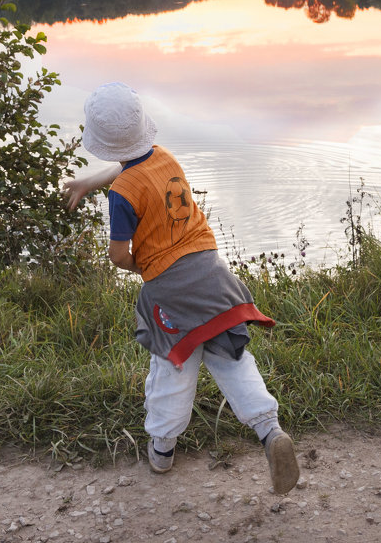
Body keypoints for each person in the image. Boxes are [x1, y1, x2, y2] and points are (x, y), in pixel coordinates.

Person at [62, 81, 300, 494]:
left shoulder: (120, 195)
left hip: (170, 292)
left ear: (100, 140)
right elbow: (132, 167)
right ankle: (270, 431)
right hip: (214, 276)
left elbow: (119, 255)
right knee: (231, 356)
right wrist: (88, 182)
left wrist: (146, 266)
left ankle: (162, 449)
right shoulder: (166, 159)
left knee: (172, 366)